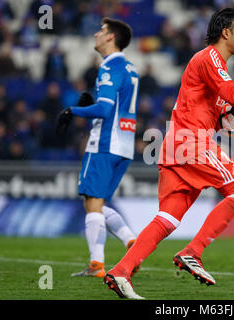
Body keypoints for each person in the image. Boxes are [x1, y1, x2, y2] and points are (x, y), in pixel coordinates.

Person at [104, 8, 234, 299]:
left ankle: (121, 271)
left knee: (168, 219)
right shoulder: (209, 58)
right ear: (225, 33)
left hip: (176, 145)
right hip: (192, 143)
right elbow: (232, 97)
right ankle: (194, 251)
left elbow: (219, 110)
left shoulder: (213, 66)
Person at [55, 18, 139, 278]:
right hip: (124, 145)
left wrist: (73, 110)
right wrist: (92, 104)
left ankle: (96, 264)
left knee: (92, 204)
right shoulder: (131, 68)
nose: (95, 34)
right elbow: (114, 104)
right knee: (99, 203)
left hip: (104, 143)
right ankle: (131, 242)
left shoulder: (109, 67)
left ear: (111, 37)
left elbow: (104, 109)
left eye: (101, 31)